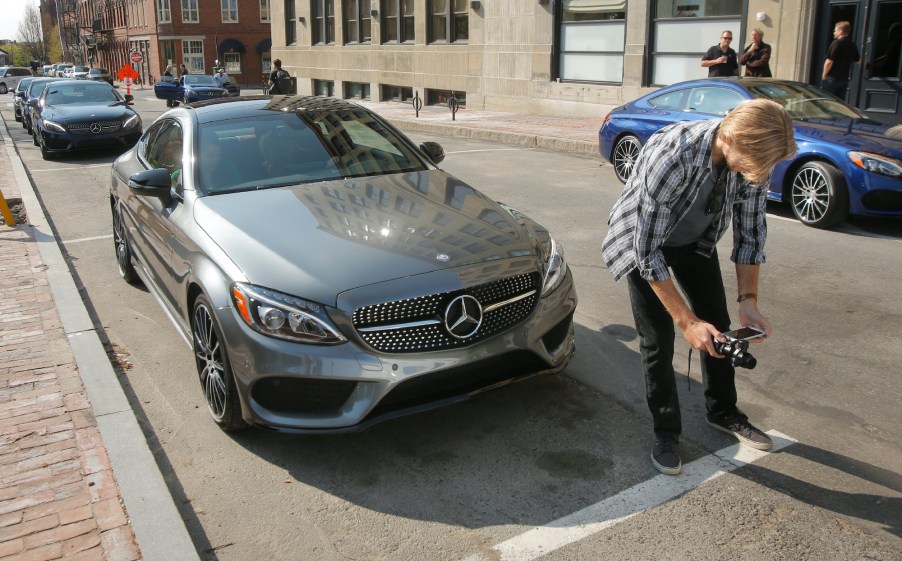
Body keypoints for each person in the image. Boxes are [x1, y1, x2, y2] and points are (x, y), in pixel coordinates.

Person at [601, 99, 797, 476]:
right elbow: (646, 250)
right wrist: (686, 321)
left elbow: (751, 234)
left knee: (719, 326)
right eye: (755, 163)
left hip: (695, 243)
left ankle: (723, 411)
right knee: (659, 338)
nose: (759, 173)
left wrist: (749, 301)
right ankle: (666, 432)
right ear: (729, 138)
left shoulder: (754, 157)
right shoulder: (674, 154)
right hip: (643, 242)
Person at [821, 21, 860, 99]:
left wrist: (824, 75)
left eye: (835, 30)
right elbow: (858, 60)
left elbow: (829, 61)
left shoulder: (836, 43)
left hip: (832, 78)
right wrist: (868, 64)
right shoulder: (852, 44)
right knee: (839, 103)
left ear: (840, 31)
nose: (834, 32)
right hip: (844, 79)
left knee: (825, 100)